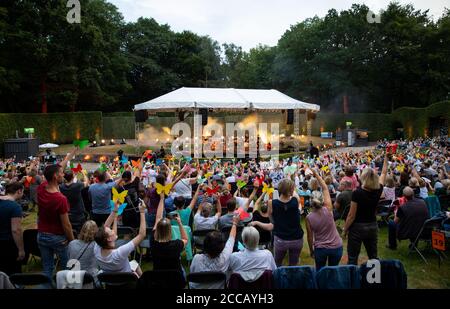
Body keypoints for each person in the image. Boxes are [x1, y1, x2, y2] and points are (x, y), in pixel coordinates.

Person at [37, 148, 77, 279]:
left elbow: (60, 166)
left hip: (41, 235)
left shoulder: (41, 188)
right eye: (61, 173)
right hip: (58, 238)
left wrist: (70, 154)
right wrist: (72, 241)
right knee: (67, 269)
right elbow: (66, 225)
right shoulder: (60, 199)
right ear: (55, 176)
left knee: (47, 269)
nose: (63, 174)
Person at [343, 151, 388, 265]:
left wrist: (345, 230)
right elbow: (383, 173)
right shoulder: (378, 190)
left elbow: (351, 215)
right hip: (372, 225)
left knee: (353, 258)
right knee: (373, 256)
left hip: (357, 227)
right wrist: (386, 157)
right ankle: (374, 281)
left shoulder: (357, 193)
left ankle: (352, 280)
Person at [94, 200, 146, 277]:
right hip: (126, 282)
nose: (112, 230)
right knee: (134, 265)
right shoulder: (120, 252)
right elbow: (142, 235)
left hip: (110, 282)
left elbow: (106, 226)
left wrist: (115, 210)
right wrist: (142, 212)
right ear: (109, 239)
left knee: (134, 263)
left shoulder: (97, 249)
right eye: (111, 230)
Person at [306, 169, 343, 271]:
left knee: (320, 273)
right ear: (322, 199)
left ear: (310, 201)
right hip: (336, 247)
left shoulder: (308, 218)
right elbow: (325, 188)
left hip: (321, 249)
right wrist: (316, 174)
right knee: (333, 272)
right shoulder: (328, 208)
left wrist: (311, 251)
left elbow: (310, 237)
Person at [189, 215, 239, 289]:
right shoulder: (225, 257)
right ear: (222, 247)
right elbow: (231, 238)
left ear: (205, 245)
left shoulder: (197, 258)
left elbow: (191, 273)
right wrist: (234, 223)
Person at [268, 178, 304, 266]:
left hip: (280, 239)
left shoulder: (271, 203)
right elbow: (295, 194)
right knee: (293, 265)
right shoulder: (295, 201)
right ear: (290, 191)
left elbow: (271, 219)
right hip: (297, 238)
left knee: (277, 263)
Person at [152, 191, 188, 276]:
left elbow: (158, 218)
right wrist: (179, 223)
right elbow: (185, 239)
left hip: (158, 276)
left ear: (157, 230)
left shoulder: (153, 242)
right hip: (175, 277)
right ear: (170, 231)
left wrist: (161, 199)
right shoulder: (176, 245)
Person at [0, 182, 25, 275]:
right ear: (19, 191)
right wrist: (21, 249)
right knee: (12, 274)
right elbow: (16, 230)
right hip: (7, 244)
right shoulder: (15, 206)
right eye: (22, 191)